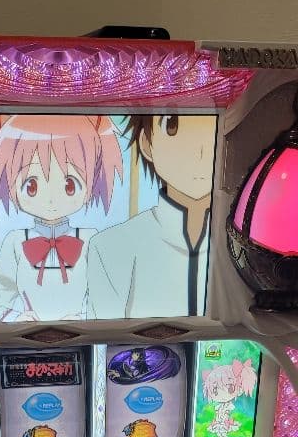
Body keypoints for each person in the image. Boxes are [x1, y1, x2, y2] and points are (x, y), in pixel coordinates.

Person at [0, 114, 123, 322]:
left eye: (69, 185)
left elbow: (106, 298)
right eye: (32, 186)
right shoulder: (15, 242)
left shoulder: (90, 239)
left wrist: (85, 318)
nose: (51, 199)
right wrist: (16, 319)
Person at [87, 113, 217, 318]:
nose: (199, 150)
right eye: (172, 126)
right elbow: (103, 335)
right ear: (147, 144)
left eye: (212, 132)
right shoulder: (110, 247)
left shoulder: (244, 249)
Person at [202, 357, 258, 437]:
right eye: (214, 390)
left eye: (230, 388)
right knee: (219, 433)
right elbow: (218, 413)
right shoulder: (218, 406)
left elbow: (227, 413)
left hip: (224, 422)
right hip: (219, 421)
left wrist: (226, 420)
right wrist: (216, 420)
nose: (220, 393)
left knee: (223, 433)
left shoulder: (228, 405)